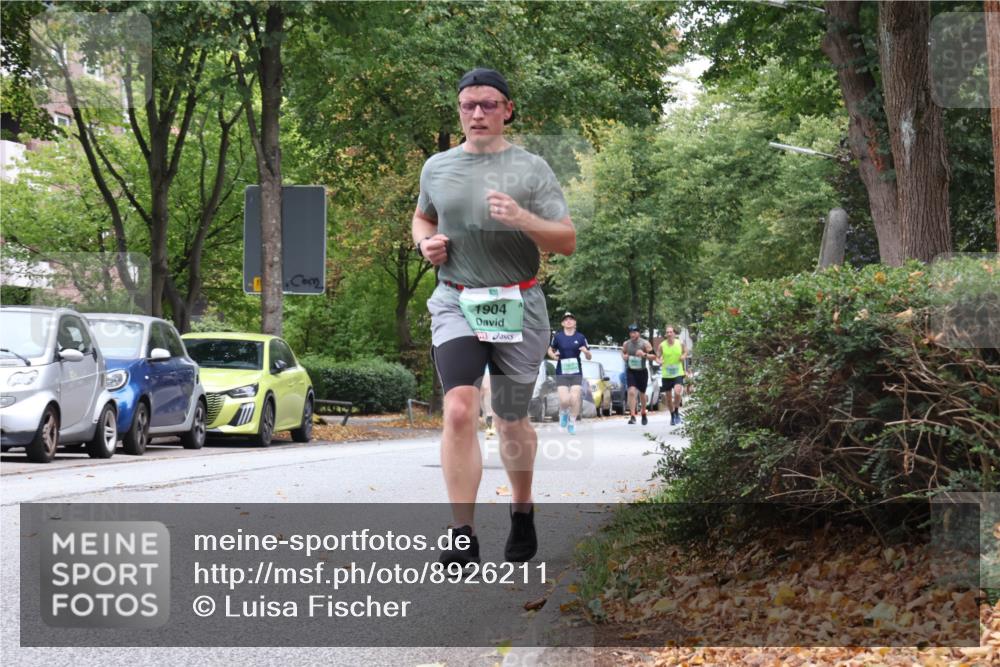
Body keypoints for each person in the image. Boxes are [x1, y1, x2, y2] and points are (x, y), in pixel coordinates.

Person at [411, 68, 575, 566]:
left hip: (517, 304)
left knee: (508, 418)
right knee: (460, 408)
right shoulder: (437, 167)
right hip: (456, 299)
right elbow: (424, 215)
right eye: (468, 105)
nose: (477, 113)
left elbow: (565, 240)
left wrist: (522, 218)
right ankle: (463, 532)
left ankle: (521, 510)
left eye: (487, 104)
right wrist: (426, 243)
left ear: (507, 110)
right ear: (459, 110)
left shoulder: (531, 169)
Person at [547, 311, 591, 435]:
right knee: (565, 400)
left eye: (571, 319)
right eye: (566, 319)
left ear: (575, 322)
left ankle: (572, 421)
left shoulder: (581, 337)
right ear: (562, 323)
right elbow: (550, 349)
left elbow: (589, 356)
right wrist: (553, 356)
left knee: (575, 397)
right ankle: (564, 412)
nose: (568, 321)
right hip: (562, 371)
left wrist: (586, 352)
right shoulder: (558, 337)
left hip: (576, 371)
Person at [621, 324, 653, 426]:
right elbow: (623, 352)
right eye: (631, 333)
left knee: (642, 394)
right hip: (631, 371)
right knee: (631, 392)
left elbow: (654, 356)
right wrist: (624, 356)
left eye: (634, 332)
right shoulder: (627, 344)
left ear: (638, 333)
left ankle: (643, 412)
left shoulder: (645, 343)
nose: (632, 334)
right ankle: (632, 415)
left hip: (642, 371)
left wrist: (644, 354)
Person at [657, 325, 687, 426]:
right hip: (666, 374)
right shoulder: (662, 345)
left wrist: (683, 356)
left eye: (671, 332)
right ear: (666, 334)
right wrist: (660, 361)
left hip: (678, 372)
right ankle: (672, 415)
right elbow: (657, 357)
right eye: (667, 332)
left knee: (678, 392)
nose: (669, 334)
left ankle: (677, 411)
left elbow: (686, 351)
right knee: (668, 397)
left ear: (674, 333)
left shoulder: (680, 343)